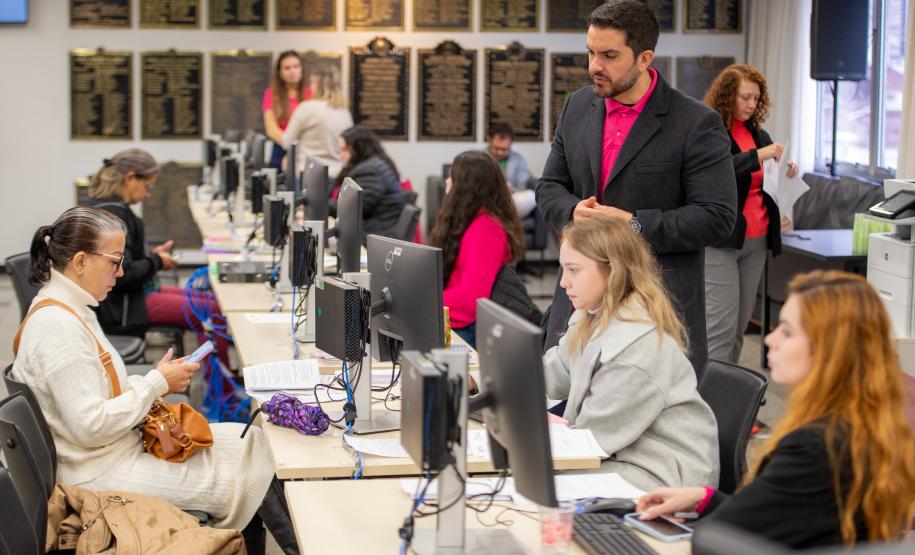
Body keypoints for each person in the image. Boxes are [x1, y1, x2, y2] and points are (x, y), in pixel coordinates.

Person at [12, 207, 300, 555]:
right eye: (114, 262)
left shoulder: (69, 309)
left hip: (106, 454)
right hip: (97, 472)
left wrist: (156, 381)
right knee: (250, 465)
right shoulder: (58, 328)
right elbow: (90, 425)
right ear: (80, 261)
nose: (120, 273)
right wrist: (154, 384)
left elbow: (97, 395)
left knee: (251, 443)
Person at [637, 271, 915, 550]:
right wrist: (704, 498)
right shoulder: (861, 425)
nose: (770, 339)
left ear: (829, 349)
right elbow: (782, 510)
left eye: (788, 331)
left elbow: (715, 540)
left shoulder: (817, 446)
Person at [535, 0, 737, 374]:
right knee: (560, 418)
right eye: (591, 52)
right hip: (578, 310)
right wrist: (573, 211)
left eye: (609, 55)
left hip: (653, 310)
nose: (595, 66)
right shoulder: (577, 107)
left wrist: (634, 226)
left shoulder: (695, 122)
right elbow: (549, 187)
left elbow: (717, 217)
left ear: (645, 59)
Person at [545, 216, 719, 490]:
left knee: (532, 485)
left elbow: (591, 441)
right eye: (562, 269)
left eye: (573, 270)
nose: (564, 282)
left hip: (660, 476)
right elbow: (555, 373)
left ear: (612, 271)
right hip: (619, 454)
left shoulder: (635, 348)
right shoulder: (591, 317)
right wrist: (486, 380)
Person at [85, 149, 230, 368]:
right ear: (130, 178)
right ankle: (223, 396)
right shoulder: (115, 217)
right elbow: (122, 276)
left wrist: (152, 258)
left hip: (130, 297)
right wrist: (157, 261)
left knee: (213, 303)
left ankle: (221, 386)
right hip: (122, 307)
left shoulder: (106, 209)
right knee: (209, 311)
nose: (148, 193)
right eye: (147, 186)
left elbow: (128, 261)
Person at [703, 64, 799, 364]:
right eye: (745, 97)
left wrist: (786, 171)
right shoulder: (711, 131)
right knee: (719, 328)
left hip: (757, 240)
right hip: (722, 241)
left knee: (740, 327)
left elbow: (765, 183)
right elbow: (716, 171)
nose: (751, 104)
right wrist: (759, 155)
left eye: (756, 99)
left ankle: (730, 395)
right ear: (728, 96)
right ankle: (711, 402)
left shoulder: (758, 133)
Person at [429, 151, 526, 347]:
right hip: (452, 319)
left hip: (463, 329)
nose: (447, 181)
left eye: (451, 176)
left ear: (465, 187)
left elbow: (470, 299)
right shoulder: (471, 220)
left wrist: (424, 300)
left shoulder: (486, 230)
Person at [282, 63, 353, 180]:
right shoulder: (344, 112)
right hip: (337, 176)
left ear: (319, 85)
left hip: (308, 175)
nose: (311, 87)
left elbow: (287, 142)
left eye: (312, 83)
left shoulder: (306, 108)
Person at [333, 125, 405, 239]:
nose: (341, 155)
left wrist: (317, 200)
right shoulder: (366, 165)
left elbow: (353, 209)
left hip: (375, 236)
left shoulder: (371, 171)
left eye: (344, 149)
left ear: (359, 148)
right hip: (373, 231)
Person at [262, 51, 310, 169]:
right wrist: (290, 146)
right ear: (280, 72)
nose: (292, 71)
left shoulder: (311, 93)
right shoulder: (271, 94)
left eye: (296, 66)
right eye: (287, 68)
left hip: (306, 150)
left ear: (302, 68)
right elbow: (271, 129)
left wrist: (299, 149)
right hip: (280, 148)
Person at [486, 123, 536, 218]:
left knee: (531, 196)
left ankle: (498, 219)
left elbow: (522, 186)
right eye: (496, 148)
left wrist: (510, 189)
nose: (500, 152)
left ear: (511, 143)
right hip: (486, 199)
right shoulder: (479, 157)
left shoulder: (519, 160)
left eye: (504, 149)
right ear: (489, 140)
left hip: (510, 199)